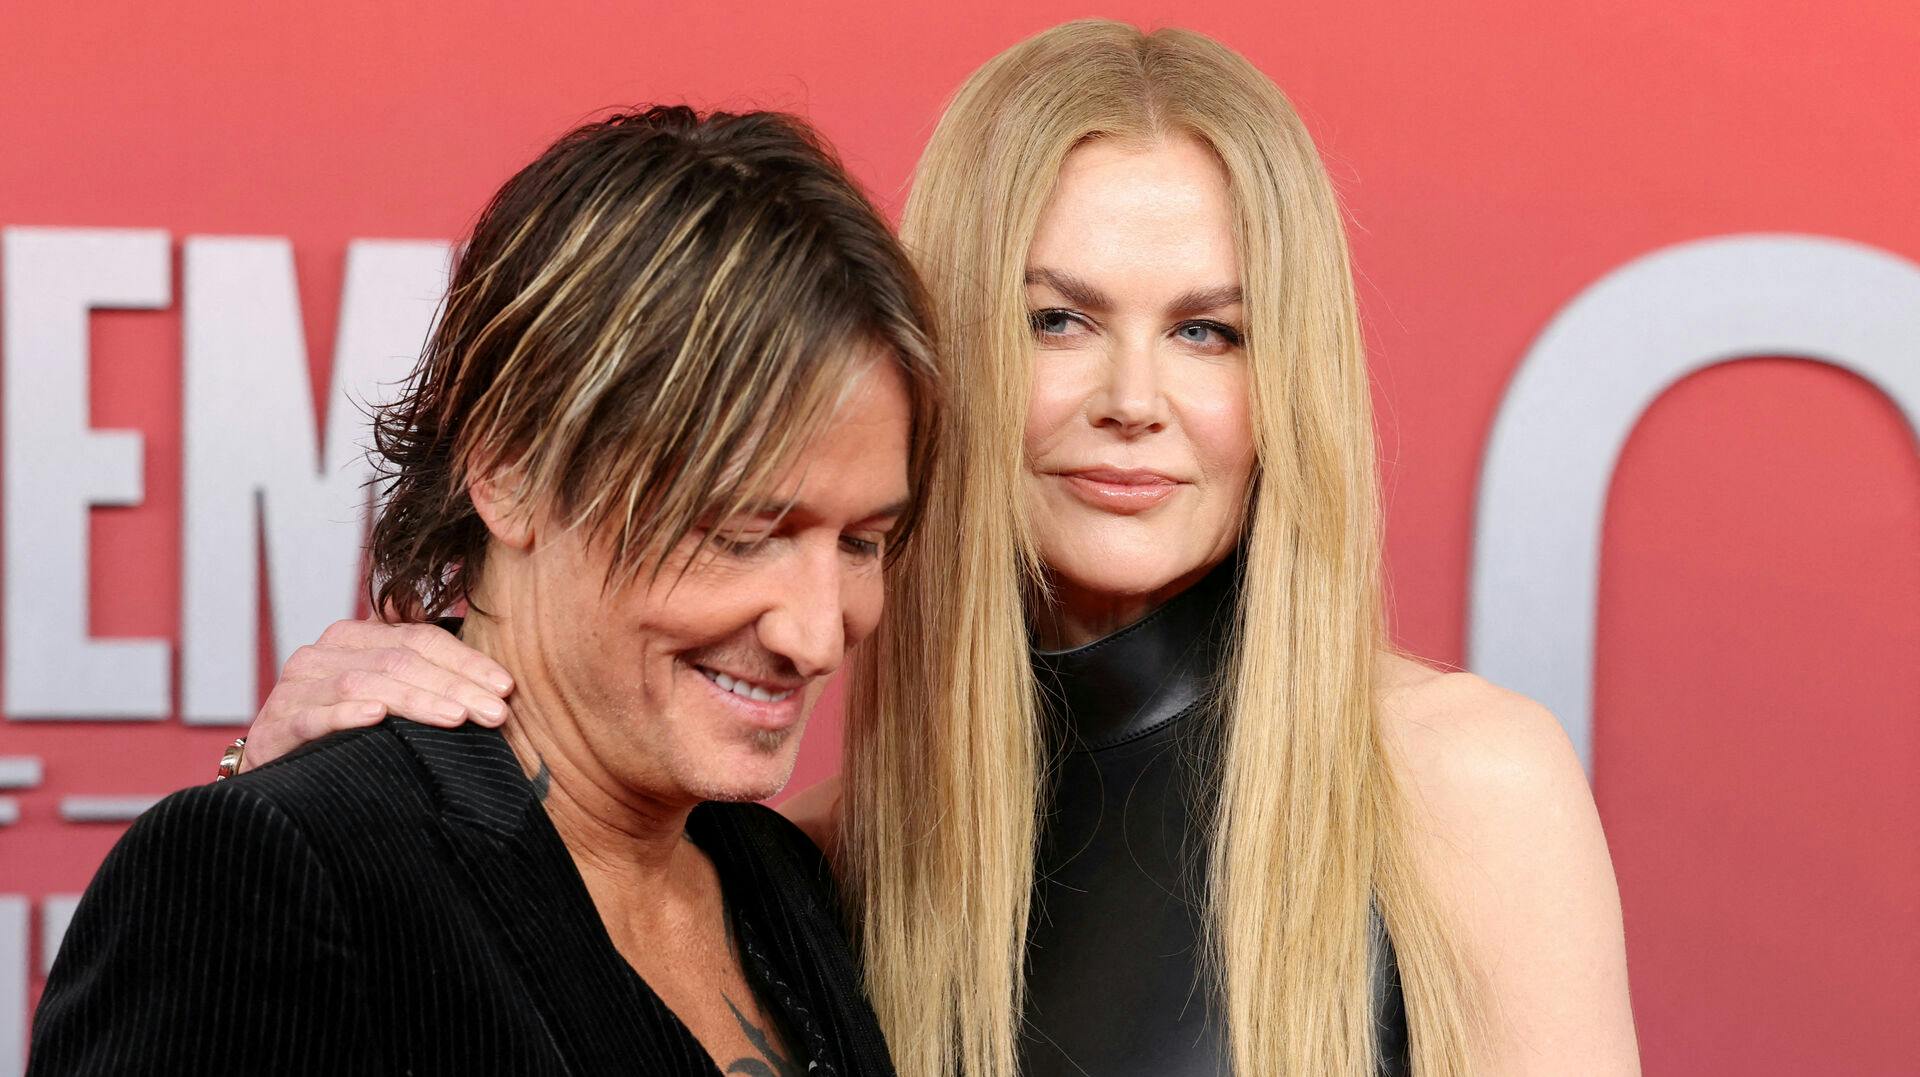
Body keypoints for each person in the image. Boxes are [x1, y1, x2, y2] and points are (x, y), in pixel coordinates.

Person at [234, 21, 1639, 1077]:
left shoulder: (1460, 788)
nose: (1134, 398)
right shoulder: (807, 866)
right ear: (941, 356)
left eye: (1208, 330)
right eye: (1056, 320)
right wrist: (283, 788)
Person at [28, 105, 942, 1076]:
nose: (817, 636)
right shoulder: (277, 873)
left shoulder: (783, 879)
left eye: (862, 542)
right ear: (511, 468)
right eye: (741, 535)